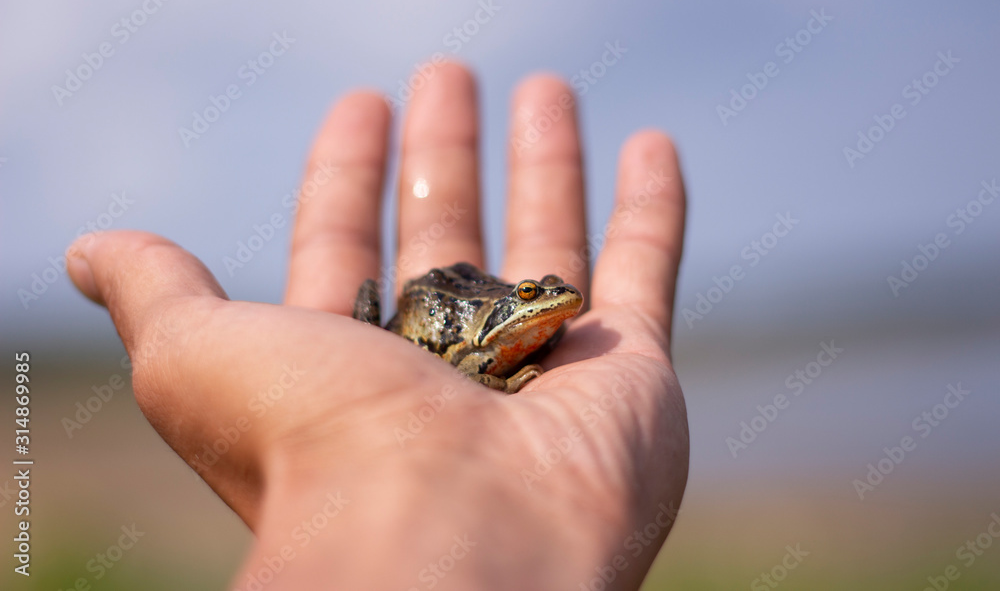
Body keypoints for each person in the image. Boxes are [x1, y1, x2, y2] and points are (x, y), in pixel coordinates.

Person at [66, 60, 689, 590]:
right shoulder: (492, 344)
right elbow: (471, 363)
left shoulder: (543, 332)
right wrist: (500, 381)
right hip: (430, 314)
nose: (545, 304)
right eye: (531, 295)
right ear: (512, 302)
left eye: (546, 295)